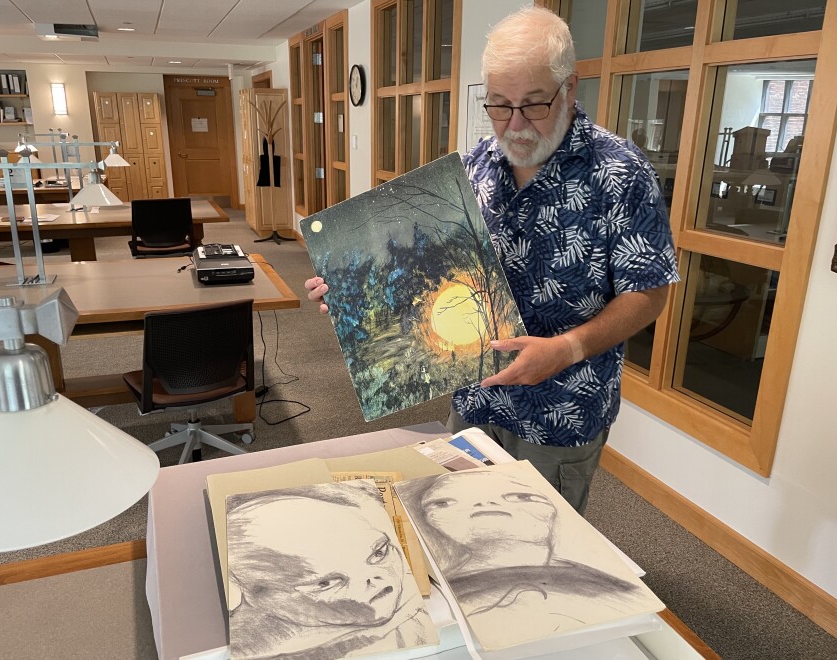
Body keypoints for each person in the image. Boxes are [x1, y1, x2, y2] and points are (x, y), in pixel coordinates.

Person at [305, 6, 679, 515]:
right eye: (499, 105)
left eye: (533, 105)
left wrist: (567, 348)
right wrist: (354, 298)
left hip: (560, 408)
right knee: (463, 522)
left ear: (570, 87)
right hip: (475, 395)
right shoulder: (476, 166)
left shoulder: (620, 172)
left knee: (542, 543)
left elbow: (651, 290)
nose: (515, 124)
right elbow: (429, 273)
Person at [395, 469, 659, 646]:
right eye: (443, 503)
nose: (484, 505)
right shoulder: (425, 591)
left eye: (521, 496)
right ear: (427, 520)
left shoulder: (607, 587)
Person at [226, 482, 434, 659]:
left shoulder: (412, 615)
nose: (374, 581)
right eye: (324, 583)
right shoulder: (250, 647)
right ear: (254, 593)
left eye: (378, 554)